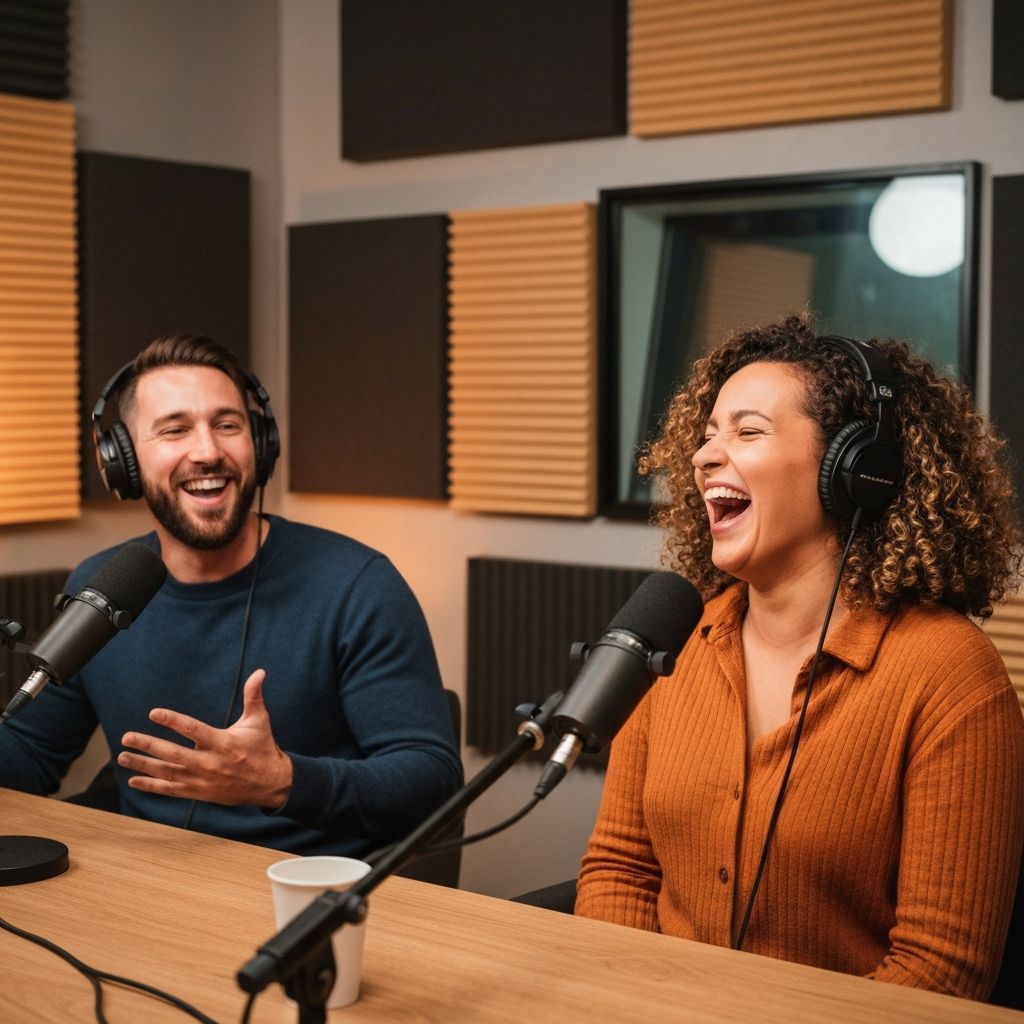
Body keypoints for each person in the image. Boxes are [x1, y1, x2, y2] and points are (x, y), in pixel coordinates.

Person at [575, 314, 1024, 1000]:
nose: (702, 457)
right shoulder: (672, 646)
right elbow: (619, 871)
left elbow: (941, 972)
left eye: (747, 432)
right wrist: (644, 1003)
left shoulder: (949, 675)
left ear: (856, 471)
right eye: (706, 435)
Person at [0, 333, 462, 857]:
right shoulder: (102, 587)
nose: (208, 451)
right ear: (122, 462)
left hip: (308, 901)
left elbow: (431, 779)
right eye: (175, 430)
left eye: (227, 425)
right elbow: (31, 754)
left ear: (259, 445)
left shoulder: (357, 586)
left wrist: (280, 781)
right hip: (145, 887)